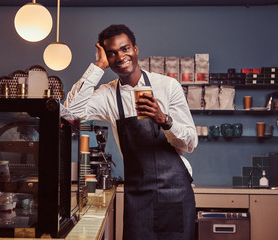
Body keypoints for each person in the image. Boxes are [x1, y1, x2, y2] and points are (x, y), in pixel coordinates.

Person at [61, 24, 198, 240]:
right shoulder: (107, 95)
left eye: (125, 49)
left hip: (175, 193)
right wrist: (98, 66)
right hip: (138, 196)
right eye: (112, 53)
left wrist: (164, 120)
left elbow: (190, 143)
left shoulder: (167, 86)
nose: (120, 56)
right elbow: (69, 112)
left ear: (135, 49)